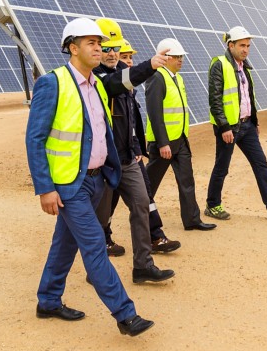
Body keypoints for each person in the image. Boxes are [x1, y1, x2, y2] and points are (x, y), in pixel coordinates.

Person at [25, 17, 166, 337]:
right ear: (72, 48)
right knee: (93, 248)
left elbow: (103, 124)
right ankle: (125, 314)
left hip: (96, 181)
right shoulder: (53, 83)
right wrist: (45, 188)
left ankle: (47, 300)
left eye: (100, 43)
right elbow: (35, 139)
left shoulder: (99, 85)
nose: (98, 48)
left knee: (65, 243)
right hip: (69, 184)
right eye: (91, 42)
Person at [91, 19, 176, 284]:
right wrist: (150, 65)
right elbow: (118, 82)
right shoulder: (95, 79)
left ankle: (143, 266)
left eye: (115, 47)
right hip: (103, 163)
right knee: (99, 218)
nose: (112, 52)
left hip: (127, 159)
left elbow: (130, 118)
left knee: (141, 204)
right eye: (106, 47)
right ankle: (96, 268)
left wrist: (137, 147)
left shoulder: (119, 73)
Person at [205, 26, 267, 220]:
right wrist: (223, 127)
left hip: (247, 126)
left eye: (248, 46)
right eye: (242, 45)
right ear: (230, 45)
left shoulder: (244, 67)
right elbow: (215, 99)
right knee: (222, 167)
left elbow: (247, 97)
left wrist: (254, 121)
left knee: (260, 163)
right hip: (229, 128)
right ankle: (212, 205)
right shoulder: (219, 65)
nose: (246, 49)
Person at [109, 40, 181, 254]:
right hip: (110, 156)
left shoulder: (129, 89)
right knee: (108, 202)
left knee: (144, 196)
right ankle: (104, 238)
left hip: (131, 153)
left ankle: (156, 237)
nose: (128, 61)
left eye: (130, 57)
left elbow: (132, 122)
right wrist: (149, 64)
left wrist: (138, 148)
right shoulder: (106, 82)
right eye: (125, 57)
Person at [145, 38, 216, 232]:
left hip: (181, 139)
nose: (180, 60)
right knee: (147, 185)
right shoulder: (156, 77)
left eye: (181, 57)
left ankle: (192, 220)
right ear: (165, 58)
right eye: (176, 57)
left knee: (187, 180)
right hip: (164, 143)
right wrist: (162, 142)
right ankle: (141, 217)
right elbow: (155, 113)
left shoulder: (178, 78)